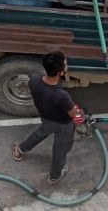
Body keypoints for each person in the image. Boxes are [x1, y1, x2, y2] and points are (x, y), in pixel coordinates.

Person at [12, 51, 84, 184]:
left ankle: (20, 149)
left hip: (46, 118)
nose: (67, 66)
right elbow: (73, 114)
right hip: (64, 126)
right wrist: (79, 113)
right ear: (60, 73)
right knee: (60, 150)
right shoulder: (62, 96)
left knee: (39, 134)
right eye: (65, 65)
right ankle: (55, 175)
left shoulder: (34, 79)